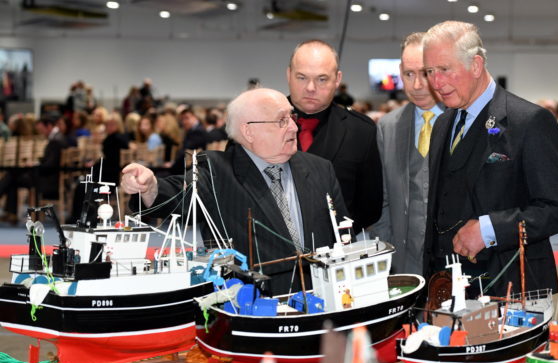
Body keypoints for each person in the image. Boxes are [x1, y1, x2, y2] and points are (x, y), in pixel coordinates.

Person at [121, 88, 348, 295]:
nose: (294, 127)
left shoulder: (320, 168)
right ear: (248, 131)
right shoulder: (217, 171)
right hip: (256, 307)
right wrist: (150, 187)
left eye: (292, 117)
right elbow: (179, 196)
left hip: (327, 299)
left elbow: (344, 234)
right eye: (282, 120)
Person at [422, 21, 558, 296]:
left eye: (444, 70)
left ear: (476, 65)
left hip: (510, 290)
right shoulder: (443, 124)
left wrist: (489, 229)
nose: (436, 82)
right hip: (445, 290)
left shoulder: (529, 121)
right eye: (430, 71)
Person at [286, 39, 383, 232]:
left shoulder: (360, 131)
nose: (311, 88)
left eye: (322, 79)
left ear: (337, 79)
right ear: (289, 75)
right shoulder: (256, 123)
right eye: (302, 77)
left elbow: (370, 206)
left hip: (338, 250)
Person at [369, 32, 444, 276]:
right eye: (409, 74)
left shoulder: (463, 122)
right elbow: (381, 201)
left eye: (425, 73)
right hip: (402, 264)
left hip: (454, 260)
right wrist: (387, 252)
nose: (417, 85)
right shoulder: (387, 127)